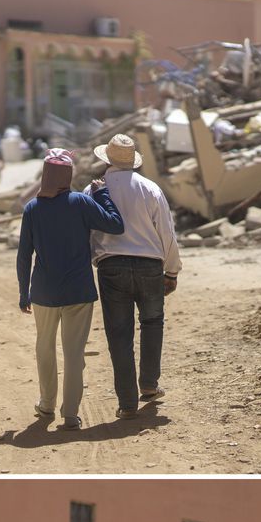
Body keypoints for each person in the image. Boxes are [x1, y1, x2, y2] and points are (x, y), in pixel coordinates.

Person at [16, 147, 124, 431]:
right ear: (68, 175)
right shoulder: (80, 202)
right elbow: (115, 225)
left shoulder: (32, 209)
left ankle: (46, 404)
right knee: (74, 354)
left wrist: (22, 292)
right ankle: (71, 414)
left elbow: (24, 255)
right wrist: (102, 196)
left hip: (43, 292)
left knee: (44, 348)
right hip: (78, 291)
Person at [87, 134, 181, 419]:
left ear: (106, 159)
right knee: (153, 323)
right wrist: (172, 270)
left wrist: (96, 258)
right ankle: (150, 385)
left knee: (119, 334)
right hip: (150, 265)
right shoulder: (149, 188)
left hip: (111, 267)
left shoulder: (93, 190)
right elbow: (166, 231)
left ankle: (127, 403)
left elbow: (88, 231)